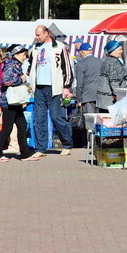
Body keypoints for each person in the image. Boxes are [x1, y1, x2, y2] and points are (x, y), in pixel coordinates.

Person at [31, 25, 75, 157]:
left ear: (46, 33)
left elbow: (67, 68)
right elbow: (32, 66)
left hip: (54, 87)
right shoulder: (35, 48)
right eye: (36, 35)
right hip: (39, 87)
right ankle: (41, 148)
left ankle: (67, 144)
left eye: (39, 35)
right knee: (39, 118)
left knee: (56, 116)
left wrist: (66, 86)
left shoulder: (59, 47)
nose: (36, 37)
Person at [0, 44, 37, 162]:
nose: (25, 57)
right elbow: (6, 81)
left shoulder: (13, 64)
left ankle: (25, 153)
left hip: (14, 102)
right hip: (9, 101)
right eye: (23, 54)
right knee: (7, 128)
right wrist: (21, 79)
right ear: (16, 54)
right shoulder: (12, 64)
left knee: (22, 125)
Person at [73, 42, 103, 148]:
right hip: (100, 95)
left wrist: (79, 99)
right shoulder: (100, 61)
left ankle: (91, 143)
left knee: (90, 121)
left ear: (82, 52)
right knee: (100, 120)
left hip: (87, 96)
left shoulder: (81, 64)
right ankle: (100, 142)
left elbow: (80, 84)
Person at [97, 41, 127, 110]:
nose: (122, 51)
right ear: (113, 50)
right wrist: (118, 96)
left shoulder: (107, 60)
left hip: (103, 98)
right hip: (110, 100)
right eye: (119, 49)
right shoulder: (113, 62)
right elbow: (114, 81)